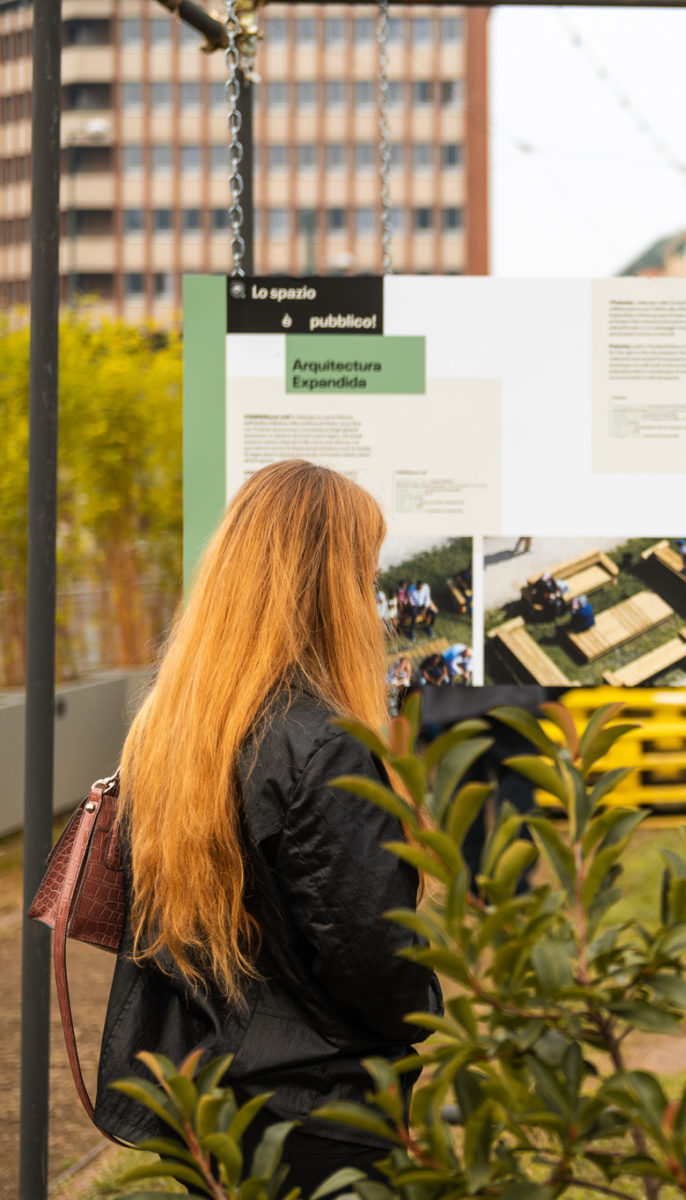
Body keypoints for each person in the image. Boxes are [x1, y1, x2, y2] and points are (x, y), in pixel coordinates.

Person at [95, 460, 440, 1189]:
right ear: (326, 587)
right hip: (318, 1115)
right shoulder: (318, 744)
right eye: (364, 576)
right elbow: (375, 957)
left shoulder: (171, 731)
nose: (373, 599)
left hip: (206, 1104)